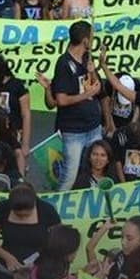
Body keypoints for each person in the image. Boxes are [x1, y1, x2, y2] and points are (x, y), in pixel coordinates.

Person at [51, 21, 101, 191]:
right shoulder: (63, 63)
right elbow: (61, 100)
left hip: (93, 126)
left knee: (97, 173)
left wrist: (92, 71)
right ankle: (57, 213)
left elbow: (98, 87)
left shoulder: (87, 57)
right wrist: (87, 94)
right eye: (92, 37)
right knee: (69, 177)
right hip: (73, 131)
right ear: (85, 40)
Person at [85, 215, 140, 279]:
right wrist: (105, 227)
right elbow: (89, 249)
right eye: (122, 237)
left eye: (129, 239)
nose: (123, 242)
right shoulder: (119, 257)